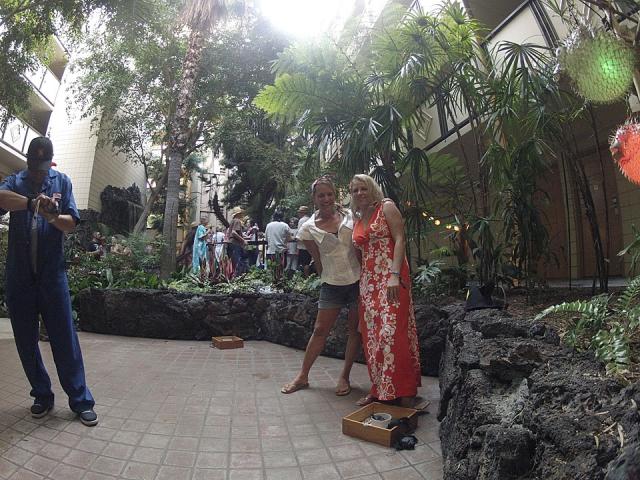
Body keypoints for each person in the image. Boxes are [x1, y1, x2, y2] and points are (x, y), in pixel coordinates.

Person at [0, 137, 98, 426]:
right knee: (25, 341)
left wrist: (52, 215)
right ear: (28, 162)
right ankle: (42, 394)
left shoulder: (62, 182)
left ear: (50, 164)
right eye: (34, 167)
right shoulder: (15, 181)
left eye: (42, 168)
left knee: (64, 338)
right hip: (20, 276)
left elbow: (71, 224)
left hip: (52, 275)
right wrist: (31, 203)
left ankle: (80, 400)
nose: (38, 173)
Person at [281, 177, 361, 396]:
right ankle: (302, 376)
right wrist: (324, 277)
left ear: (335, 195)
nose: (326, 199)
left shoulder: (350, 216)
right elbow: (316, 259)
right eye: (321, 195)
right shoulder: (308, 228)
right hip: (332, 284)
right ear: (314, 198)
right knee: (319, 330)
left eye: (329, 194)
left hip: (358, 280)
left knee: (354, 331)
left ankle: (344, 376)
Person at [350, 174, 421, 407]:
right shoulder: (358, 217)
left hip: (392, 277)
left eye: (364, 188)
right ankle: (380, 388)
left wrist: (394, 274)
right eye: (355, 190)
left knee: (391, 333)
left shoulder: (386, 207)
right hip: (369, 283)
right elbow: (360, 253)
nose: (360, 193)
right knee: (372, 337)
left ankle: (405, 390)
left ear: (372, 188)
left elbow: (400, 239)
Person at [264, 211, 290, 280]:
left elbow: (266, 238)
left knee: (271, 270)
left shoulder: (269, 225)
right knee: (280, 270)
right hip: (281, 251)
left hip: (271, 250)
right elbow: (289, 238)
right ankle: (279, 283)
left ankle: (272, 283)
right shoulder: (285, 225)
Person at [226, 207, 248, 277]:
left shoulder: (232, 221)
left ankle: (232, 277)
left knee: (232, 263)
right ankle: (237, 277)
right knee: (237, 263)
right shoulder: (237, 221)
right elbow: (234, 233)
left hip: (230, 243)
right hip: (235, 244)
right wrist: (243, 240)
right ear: (238, 214)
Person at [296, 205, 312, 274]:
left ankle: (305, 277)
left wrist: (296, 239)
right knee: (307, 262)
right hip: (310, 245)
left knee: (304, 263)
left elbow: (300, 233)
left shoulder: (302, 220)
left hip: (303, 245)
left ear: (302, 213)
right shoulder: (310, 219)